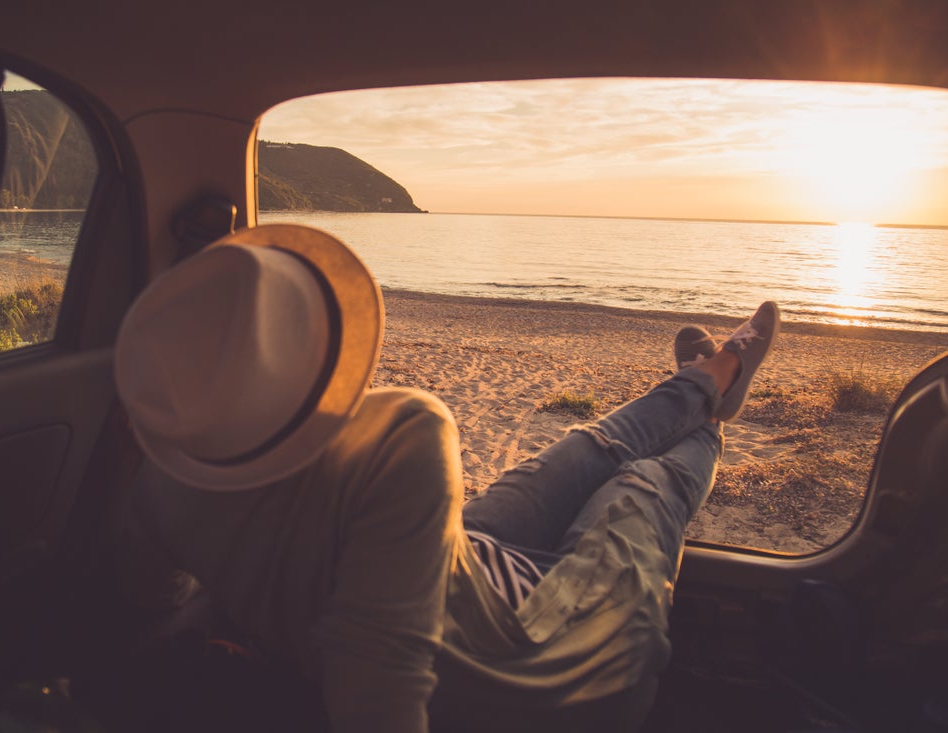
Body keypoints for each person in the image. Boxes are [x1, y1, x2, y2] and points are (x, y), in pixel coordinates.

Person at [113, 224, 780, 733]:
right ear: (321, 341)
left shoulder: (158, 487)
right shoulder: (401, 429)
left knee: (588, 444)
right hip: (542, 662)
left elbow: (153, 603)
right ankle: (717, 399)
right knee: (644, 482)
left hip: (441, 567)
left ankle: (708, 376)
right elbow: (381, 696)